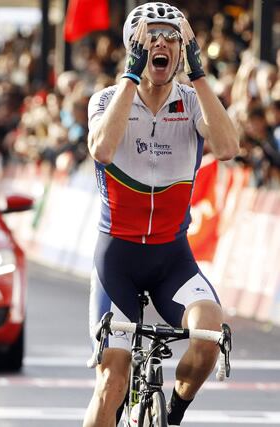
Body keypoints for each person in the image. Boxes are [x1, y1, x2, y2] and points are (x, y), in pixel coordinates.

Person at [83, 3, 239, 427]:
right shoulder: (107, 99)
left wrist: (200, 73)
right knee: (112, 382)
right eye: (152, 35)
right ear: (134, 45)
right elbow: (102, 149)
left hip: (172, 257)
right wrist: (131, 77)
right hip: (118, 259)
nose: (162, 43)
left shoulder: (191, 102)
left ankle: (171, 414)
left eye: (173, 37)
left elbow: (227, 147)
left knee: (208, 333)